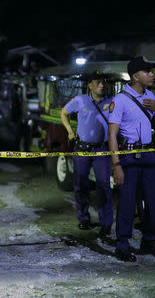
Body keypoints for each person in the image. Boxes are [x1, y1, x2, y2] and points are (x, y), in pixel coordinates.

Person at [108, 56, 155, 262]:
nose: (153, 75)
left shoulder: (150, 95)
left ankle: (150, 240)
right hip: (129, 157)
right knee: (126, 202)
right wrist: (116, 165)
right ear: (135, 76)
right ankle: (122, 245)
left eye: (152, 71)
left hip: (149, 156)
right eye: (148, 72)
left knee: (153, 200)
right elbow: (112, 134)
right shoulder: (120, 100)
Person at [60, 71, 114, 237]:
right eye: (97, 82)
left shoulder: (111, 101)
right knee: (81, 185)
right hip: (82, 149)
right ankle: (83, 218)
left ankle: (106, 223)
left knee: (104, 185)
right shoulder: (80, 100)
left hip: (101, 149)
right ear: (89, 85)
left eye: (103, 82)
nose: (101, 85)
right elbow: (64, 113)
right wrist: (69, 131)